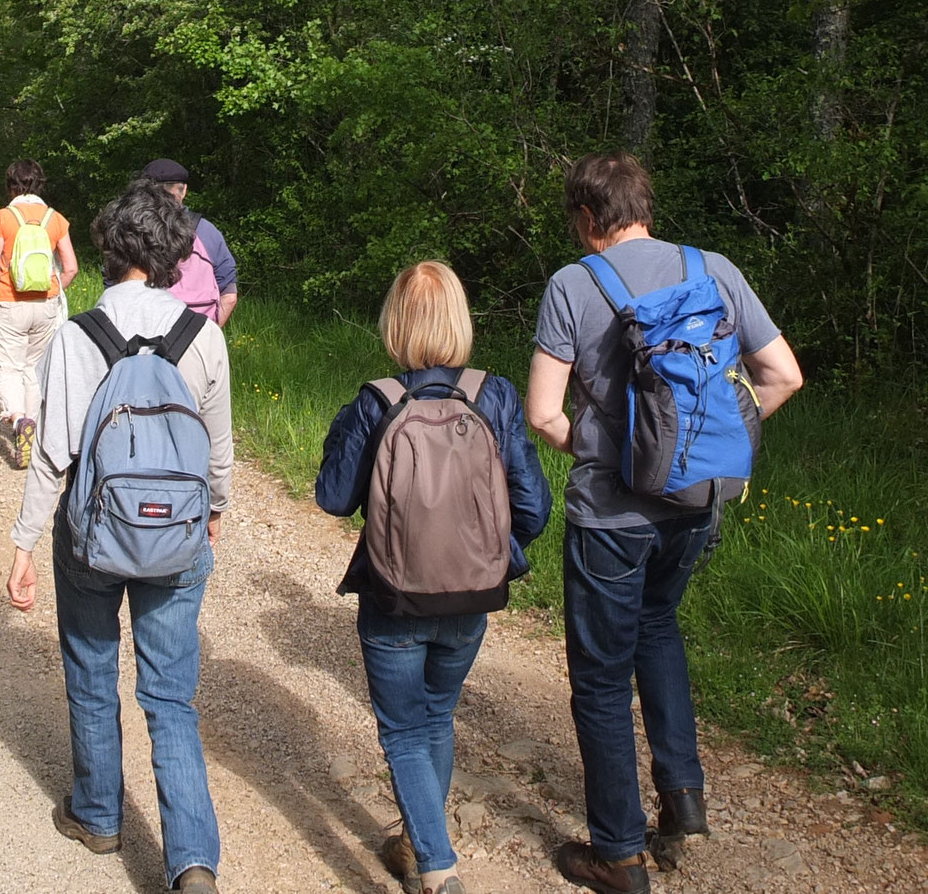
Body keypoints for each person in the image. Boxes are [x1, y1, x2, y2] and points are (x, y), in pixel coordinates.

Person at [526, 154, 803, 893]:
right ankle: (683, 801)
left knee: (600, 681)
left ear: (588, 218)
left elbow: (542, 413)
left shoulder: (571, 285)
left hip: (611, 519)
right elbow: (784, 376)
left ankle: (618, 853)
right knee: (659, 628)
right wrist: (713, 448)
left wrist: (606, 456)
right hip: (698, 505)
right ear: (645, 205)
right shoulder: (713, 267)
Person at [5, 180, 231, 894]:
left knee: (92, 667)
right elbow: (218, 449)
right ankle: (192, 858)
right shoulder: (204, 336)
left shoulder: (79, 336)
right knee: (170, 697)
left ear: (109, 247)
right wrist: (213, 513)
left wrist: (22, 543)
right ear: (173, 255)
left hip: (91, 536)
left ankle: (100, 814)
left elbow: (54, 454)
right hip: (177, 540)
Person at [316, 261, 552, 894]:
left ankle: (438, 867)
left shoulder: (377, 401)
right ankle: (419, 840)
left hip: (395, 599)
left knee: (401, 729)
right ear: (460, 322)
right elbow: (535, 508)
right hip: (472, 597)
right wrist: (494, 553)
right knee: (437, 717)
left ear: (395, 324)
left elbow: (334, 499)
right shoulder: (494, 396)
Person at [0, 159, 79, 467]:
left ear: (10, 184)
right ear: (40, 184)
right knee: (35, 368)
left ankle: (18, 420)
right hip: (46, 302)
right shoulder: (55, 219)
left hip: (11, 301)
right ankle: (33, 429)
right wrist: (55, 289)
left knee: (9, 366)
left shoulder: (3, 217)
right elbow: (72, 267)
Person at [140, 159, 237, 325]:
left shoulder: (130, 231)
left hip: (143, 338)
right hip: (198, 335)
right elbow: (229, 295)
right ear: (183, 190)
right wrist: (208, 334)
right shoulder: (208, 232)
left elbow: (115, 287)